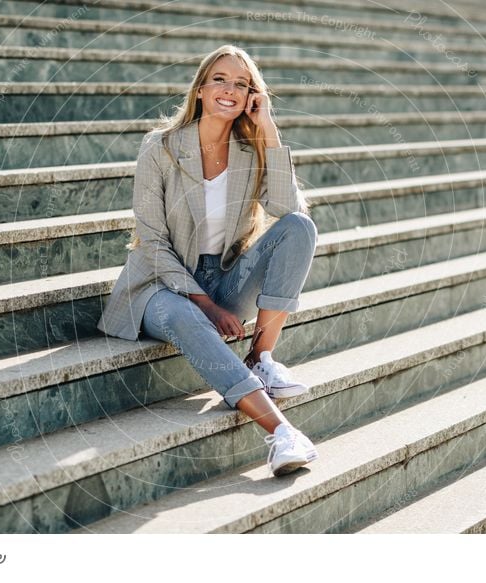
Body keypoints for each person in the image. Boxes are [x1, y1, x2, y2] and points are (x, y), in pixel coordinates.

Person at [97, 45, 318, 476]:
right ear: (200, 88)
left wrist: (267, 127)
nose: (229, 89)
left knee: (299, 227)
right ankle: (282, 432)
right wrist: (207, 305)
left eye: (241, 83)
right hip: (158, 287)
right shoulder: (159, 147)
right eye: (219, 79)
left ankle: (261, 358)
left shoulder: (248, 151)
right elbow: (151, 242)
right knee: (184, 315)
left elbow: (287, 207)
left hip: (222, 276)